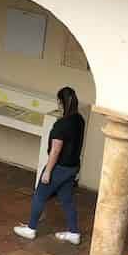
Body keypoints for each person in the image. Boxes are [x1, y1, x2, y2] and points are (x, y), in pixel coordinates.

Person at [14, 87, 85, 245]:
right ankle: (74, 232)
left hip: (59, 167)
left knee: (40, 195)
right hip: (73, 166)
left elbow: (55, 150)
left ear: (60, 102)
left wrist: (48, 171)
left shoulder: (61, 124)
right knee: (66, 199)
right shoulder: (79, 120)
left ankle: (31, 229)